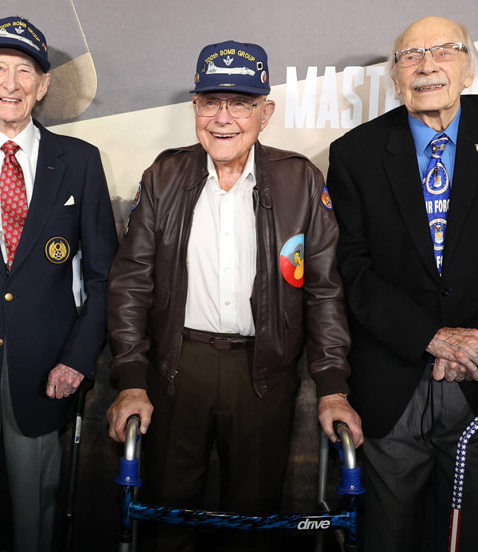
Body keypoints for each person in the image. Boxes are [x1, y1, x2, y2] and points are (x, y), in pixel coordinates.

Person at [105, 40, 364, 551]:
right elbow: (131, 282)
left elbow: (325, 292)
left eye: (241, 103)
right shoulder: (163, 174)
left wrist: (333, 386)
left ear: (265, 112)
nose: (224, 118)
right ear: (195, 108)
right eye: (211, 101)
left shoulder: (300, 181)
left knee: (254, 525)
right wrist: (132, 380)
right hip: (177, 371)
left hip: (263, 375)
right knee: (168, 523)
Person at [326, 16, 478, 552]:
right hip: (393, 382)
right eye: (411, 55)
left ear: (469, 65)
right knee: (386, 536)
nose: (427, 65)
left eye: (444, 51)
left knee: (470, 536)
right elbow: (353, 269)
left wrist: (475, 344)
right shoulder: (355, 153)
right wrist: (432, 337)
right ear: (394, 75)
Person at [0, 16, 118, 552]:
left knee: (37, 520)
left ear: (44, 84)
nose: (11, 83)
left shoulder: (79, 162)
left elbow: (105, 276)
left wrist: (77, 358)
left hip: (45, 372)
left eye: (25, 71)